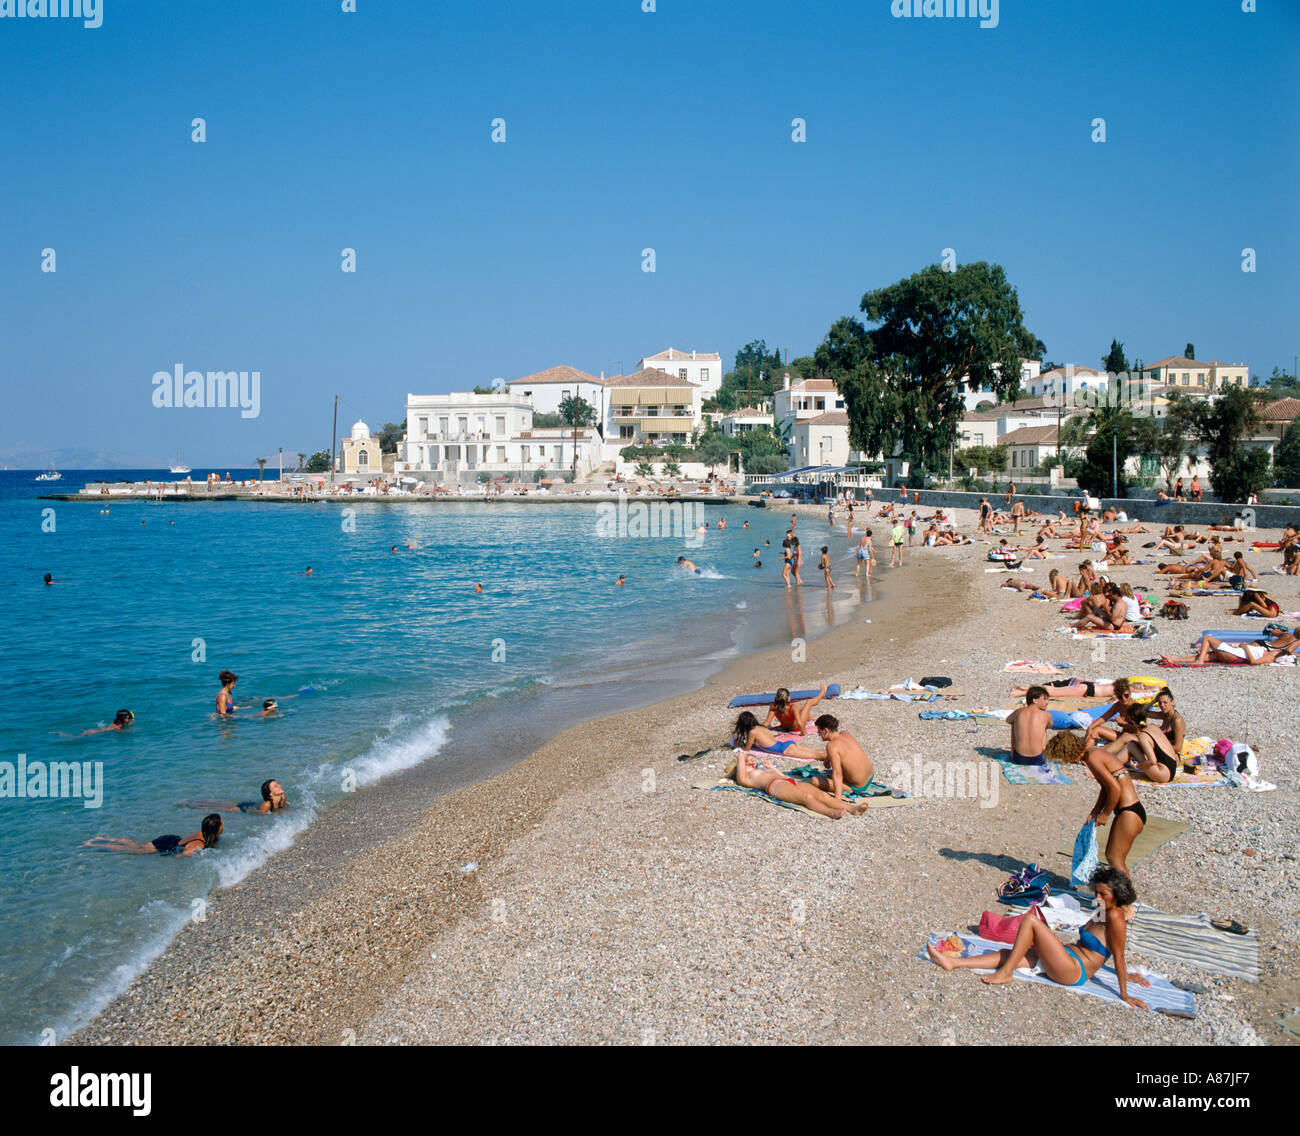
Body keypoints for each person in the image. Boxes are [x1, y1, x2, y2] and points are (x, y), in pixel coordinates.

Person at [927, 866, 1149, 1008]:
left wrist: (1125, 994)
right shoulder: (1102, 909)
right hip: (1066, 957)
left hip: (1074, 970)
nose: (1097, 897)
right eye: (1096, 892)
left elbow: (1118, 954)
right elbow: (1104, 946)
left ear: (1117, 896)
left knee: (1031, 921)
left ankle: (1006, 973)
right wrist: (1127, 975)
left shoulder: (1116, 916)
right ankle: (953, 963)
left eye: (1103, 894)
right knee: (1009, 953)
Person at [730, 750, 869, 819]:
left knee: (822, 795)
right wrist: (743, 755)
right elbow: (741, 757)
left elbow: (783, 776)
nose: (751, 762)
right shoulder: (745, 778)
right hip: (775, 786)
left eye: (751, 761)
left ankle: (852, 809)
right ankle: (830, 812)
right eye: (748, 763)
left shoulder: (760, 770)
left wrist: (772, 768)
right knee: (807, 798)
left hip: (787, 780)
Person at [1084, 744, 1148, 877]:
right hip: (1131, 810)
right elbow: (1106, 787)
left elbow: (1115, 789)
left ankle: (1126, 890)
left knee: (1115, 859)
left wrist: (1105, 814)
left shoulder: (1092, 758)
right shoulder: (1094, 753)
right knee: (1112, 856)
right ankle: (1121, 889)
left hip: (1129, 812)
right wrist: (1096, 811)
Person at [800, 714, 875, 800]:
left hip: (858, 786)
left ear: (825, 730)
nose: (818, 734)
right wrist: (828, 757)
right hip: (869, 776)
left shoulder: (831, 746)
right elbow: (845, 751)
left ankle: (849, 789)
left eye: (819, 731)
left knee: (814, 781)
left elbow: (837, 773)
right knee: (836, 772)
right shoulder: (845, 734)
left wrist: (837, 798)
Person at [83, 814, 224, 857]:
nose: (224, 824)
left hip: (170, 838)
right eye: (222, 823)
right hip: (167, 845)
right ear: (216, 829)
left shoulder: (204, 833)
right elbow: (180, 856)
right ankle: (94, 845)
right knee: (133, 851)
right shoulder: (199, 844)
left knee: (138, 846)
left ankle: (103, 839)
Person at [732, 711, 824, 762]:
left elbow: (747, 749)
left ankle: (831, 757)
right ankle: (831, 755)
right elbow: (761, 743)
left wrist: (740, 745)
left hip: (783, 750)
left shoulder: (752, 732)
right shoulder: (761, 728)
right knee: (816, 752)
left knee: (816, 755)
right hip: (785, 744)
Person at [180, 779, 288, 814]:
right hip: (246, 809)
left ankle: (193, 801)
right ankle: (190, 803)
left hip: (253, 805)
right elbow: (260, 815)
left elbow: (282, 808)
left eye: (278, 784)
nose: (279, 786)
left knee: (223, 804)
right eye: (275, 786)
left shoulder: (282, 797)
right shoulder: (267, 804)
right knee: (218, 807)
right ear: (270, 793)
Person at [1007, 686, 1051, 764]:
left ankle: (1013, 749)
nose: (1047, 702)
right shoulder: (1046, 715)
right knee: (1044, 727)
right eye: (1045, 699)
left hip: (1018, 758)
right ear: (1035, 700)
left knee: (1013, 722)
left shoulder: (1018, 712)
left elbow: (1008, 720)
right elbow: (1050, 725)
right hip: (1038, 759)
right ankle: (1043, 749)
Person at [764, 682, 828, 734]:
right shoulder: (792, 708)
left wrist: (760, 728)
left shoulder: (773, 707)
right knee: (809, 702)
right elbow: (800, 724)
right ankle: (821, 695)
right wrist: (803, 732)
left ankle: (809, 718)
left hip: (785, 728)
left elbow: (767, 722)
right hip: (796, 728)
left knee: (799, 707)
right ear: (788, 698)